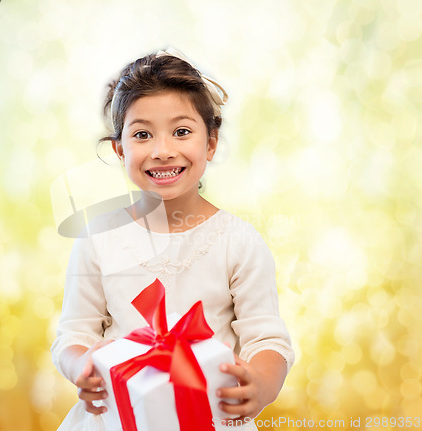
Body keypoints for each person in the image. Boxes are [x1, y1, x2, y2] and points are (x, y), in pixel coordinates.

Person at [51, 47, 295, 430]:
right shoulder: (97, 238)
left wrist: (260, 384)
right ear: (119, 148)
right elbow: (73, 334)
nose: (163, 151)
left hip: (210, 417)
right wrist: (82, 365)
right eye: (142, 134)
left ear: (211, 142)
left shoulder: (239, 242)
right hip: (116, 418)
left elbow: (268, 341)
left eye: (181, 131)